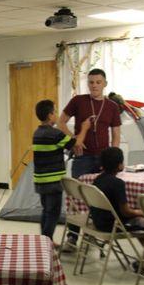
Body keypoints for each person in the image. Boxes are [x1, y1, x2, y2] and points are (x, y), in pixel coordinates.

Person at [57, 68, 122, 249]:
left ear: (105, 84)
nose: (94, 85)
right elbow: (60, 122)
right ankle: (72, 237)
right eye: (91, 82)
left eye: (98, 82)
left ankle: (97, 233)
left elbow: (116, 134)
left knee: (102, 197)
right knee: (77, 196)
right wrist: (73, 140)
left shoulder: (112, 106)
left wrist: (113, 158)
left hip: (103, 160)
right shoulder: (78, 101)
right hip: (82, 157)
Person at [91, 147, 144, 273]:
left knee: (143, 224)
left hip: (99, 221)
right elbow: (126, 212)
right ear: (120, 165)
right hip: (115, 224)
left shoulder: (97, 180)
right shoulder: (118, 183)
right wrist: (143, 212)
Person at [33, 100, 91, 241]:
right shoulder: (55, 133)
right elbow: (75, 144)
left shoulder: (37, 132)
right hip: (53, 182)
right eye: (55, 111)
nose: (57, 115)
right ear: (50, 115)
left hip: (40, 181)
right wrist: (85, 128)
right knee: (53, 212)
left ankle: (45, 240)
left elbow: (64, 144)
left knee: (46, 211)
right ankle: (47, 242)